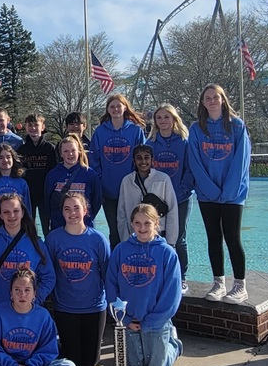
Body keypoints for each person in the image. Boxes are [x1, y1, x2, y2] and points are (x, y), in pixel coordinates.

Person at [188, 84, 251, 304]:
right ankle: (218, 282)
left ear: (223, 99)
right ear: (203, 103)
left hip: (232, 194)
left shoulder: (237, 126)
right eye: (208, 98)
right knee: (213, 238)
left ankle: (240, 285)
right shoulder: (197, 129)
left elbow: (241, 161)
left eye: (216, 97)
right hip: (208, 194)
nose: (212, 101)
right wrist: (209, 188)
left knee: (233, 238)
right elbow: (194, 161)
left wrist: (229, 190)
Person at [106, 204, 183, 366]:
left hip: (156, 322)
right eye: (137, 223)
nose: (142, 228)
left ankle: (174, 343)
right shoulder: (120, 250)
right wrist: (124, 320)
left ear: (156, 223)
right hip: (130, 321)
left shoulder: (167, 253)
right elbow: (111, 285)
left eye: (147, 223)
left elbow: (172, 294)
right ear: (132, 224)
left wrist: (152, 321)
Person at [44, 192, 110, 366]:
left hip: (94, 307)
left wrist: (112, 302)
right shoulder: (53, 239)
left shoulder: (97, 239)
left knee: (89, 363)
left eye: (76, 208)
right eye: (67, 209)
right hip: (65, 307)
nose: (72, 213)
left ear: (85, 210)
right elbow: (48, 273)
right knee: (71, 361)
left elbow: (107, 274)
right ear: (62, 213)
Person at [146, 103, 193, 294]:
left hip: (180, 198)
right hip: (155, 201)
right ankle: (159, 276)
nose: (163, 121)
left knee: (179, 237)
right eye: (159, 118)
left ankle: (181, 277)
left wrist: (181, 190)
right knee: (156, 237)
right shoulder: (150, 144)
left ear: (174, 119)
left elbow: (190, 170)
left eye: (167, 117)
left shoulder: (183, 142)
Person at [90, 94, 148, 248]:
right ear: (108, 110)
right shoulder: (100, 132)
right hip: (109, 190)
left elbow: (143, 157)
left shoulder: (135, 130)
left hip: (131, 188)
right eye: (112, 106)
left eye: (118, 106)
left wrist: (137, 178)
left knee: (134, 227)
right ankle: (117, 263)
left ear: (125, 107)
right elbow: (94, 159)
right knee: (115, 230)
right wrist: (101, 179)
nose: (115, 109)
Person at [0, 194, 54, 308]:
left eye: (16, 211)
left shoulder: (36, 243)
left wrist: (35, 299)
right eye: (6, 212)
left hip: (28, 310)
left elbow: (48, 276)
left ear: (23, 213)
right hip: (0, 308)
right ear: (0, 215)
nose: (12, 215)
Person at [117, 144, 178, 254]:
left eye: (146, 157)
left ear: (152, 160)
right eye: (139, 158)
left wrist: (171, 241)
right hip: (135, 235)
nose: (143, 161)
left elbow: (172, 210)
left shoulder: (163, 179)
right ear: (134, 161)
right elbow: (121, 213)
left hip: (159, 234)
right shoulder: (126, 181)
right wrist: (126, 240)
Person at [44, 134, 102, 231]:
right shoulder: (52, 175)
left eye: (73, 150)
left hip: (83, 226)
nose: (70, 154)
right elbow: (47, 201)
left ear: (79, 151)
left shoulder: (90, 174)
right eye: (66, 151)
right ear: (61, 154)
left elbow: (96, 200)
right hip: (59, 226)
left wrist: (87, 216)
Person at [18, 113, 58, 237]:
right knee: (29, 227)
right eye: (30, 125)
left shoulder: (49, 148)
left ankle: (49, 252)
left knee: (48, 227)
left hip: (45, 194)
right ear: (25, 127)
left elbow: (54, 171)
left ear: (43, 127)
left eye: (36, 125)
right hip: (28, 195)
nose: (33, 128)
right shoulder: (21, 150)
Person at [0, 143, 32, 228]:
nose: (5, 160)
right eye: (1, 158)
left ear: (13, 159)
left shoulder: (22, 183)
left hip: (16, 228)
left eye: (8, 157)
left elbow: (27, 209)